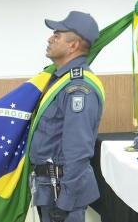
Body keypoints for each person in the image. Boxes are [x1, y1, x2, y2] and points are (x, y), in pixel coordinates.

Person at [29, 11, 103, 222]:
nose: (50, 39)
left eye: (57, 35)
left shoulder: (77, 89)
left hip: (61, 190)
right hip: (49, 186)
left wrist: (65, 202)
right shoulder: (59, 81)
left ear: (73, 45)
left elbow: (79, 150)